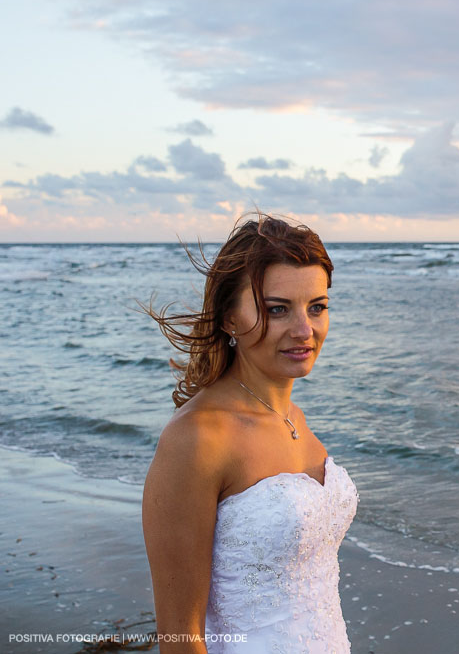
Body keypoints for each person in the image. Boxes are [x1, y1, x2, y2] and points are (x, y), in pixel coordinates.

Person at [142, 215, 357, 653]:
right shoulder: (199, 438)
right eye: (278, 309)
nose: (305, 330)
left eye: (317, 306)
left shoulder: (293, 417)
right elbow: (180, 636)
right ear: (228, 318)